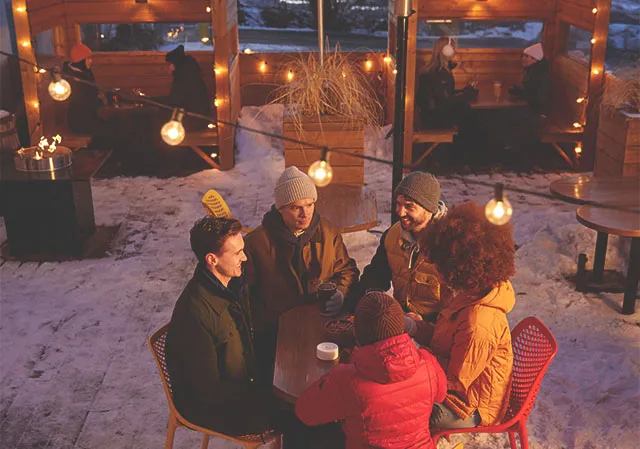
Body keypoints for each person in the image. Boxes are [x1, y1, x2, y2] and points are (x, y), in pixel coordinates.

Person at [406, 201, 516, 429]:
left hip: (469, 406)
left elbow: (453, 381)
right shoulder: (472, 292)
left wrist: (415, 357)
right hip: (457, 389)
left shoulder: (479, 322)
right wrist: (415, 327)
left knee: (398, 407)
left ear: (460, 267)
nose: (437, 271)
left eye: (441, 266)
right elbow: (445, 340)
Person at [244, 166, 359, 381]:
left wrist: (341, 293)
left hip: (323, 328)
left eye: (309, 204)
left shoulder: (327, 232)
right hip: (277, 338)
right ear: (280, 209)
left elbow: (347, 271)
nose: (305, 213)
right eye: (296, 207)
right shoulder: (256, 243)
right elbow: (245, 297)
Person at [165, 217, 273, 437]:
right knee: (301, 415)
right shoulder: (194, 314)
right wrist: (262, 395)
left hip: (242, 385)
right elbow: (207, 391)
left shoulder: (232, 285)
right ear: (212, 259)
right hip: (212, 409)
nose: (244, 257)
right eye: (236, 253)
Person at [295, 291, 447, 449]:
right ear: (403, 328)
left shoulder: (346, 378)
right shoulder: (427, 361)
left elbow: (305, 413)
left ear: (357, 334)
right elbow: (441, 395)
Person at [353, 171, 447, 322]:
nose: (400, 212)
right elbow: (376, 275)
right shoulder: (392, 235)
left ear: (428, 208)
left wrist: (426, 323)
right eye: (398, 204)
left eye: (409, 206)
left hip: (437, 327)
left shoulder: (450, 245)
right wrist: (370, 297)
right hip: (400, 319)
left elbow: (460, 304)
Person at [416, 36, 477, 129]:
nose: (454, 51)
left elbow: (444, 94)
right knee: (469, 111)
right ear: (446, 50)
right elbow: (444, 101)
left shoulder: (437, 69)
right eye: (453, 48)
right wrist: (465, 95)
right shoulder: (439, 73)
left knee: (467, 110)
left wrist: (462, 91)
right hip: (434, 118)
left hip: (431, 114)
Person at [62, 43, 107, 139]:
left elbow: (93, 92)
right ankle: (97, 151)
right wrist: (102, 101)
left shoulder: (85, 72)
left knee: (112, 124)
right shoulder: (72, 78)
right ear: (80, 61)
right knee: (109, 129)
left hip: (89, 115)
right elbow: (85, 101)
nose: (91, 61)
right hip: (79, 121)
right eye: (88, 58)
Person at [163, 44, 211, 130]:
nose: (168, 68)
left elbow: (175, 102)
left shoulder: (183, 80)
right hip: (198, 119)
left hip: (193, 120)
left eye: (169, 64)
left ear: (175, 64)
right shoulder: (189, 76)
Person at [509, 43, 551, 116]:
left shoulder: (541, 75)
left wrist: (520, 93)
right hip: (532, 109)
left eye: (526, 56)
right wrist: (518, 91)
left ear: (535, 60)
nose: (523, 58)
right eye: (523, 56)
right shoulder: (532, 71)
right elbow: (532, 92)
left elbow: (538, 100)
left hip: (537, 114)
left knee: (504, 114)